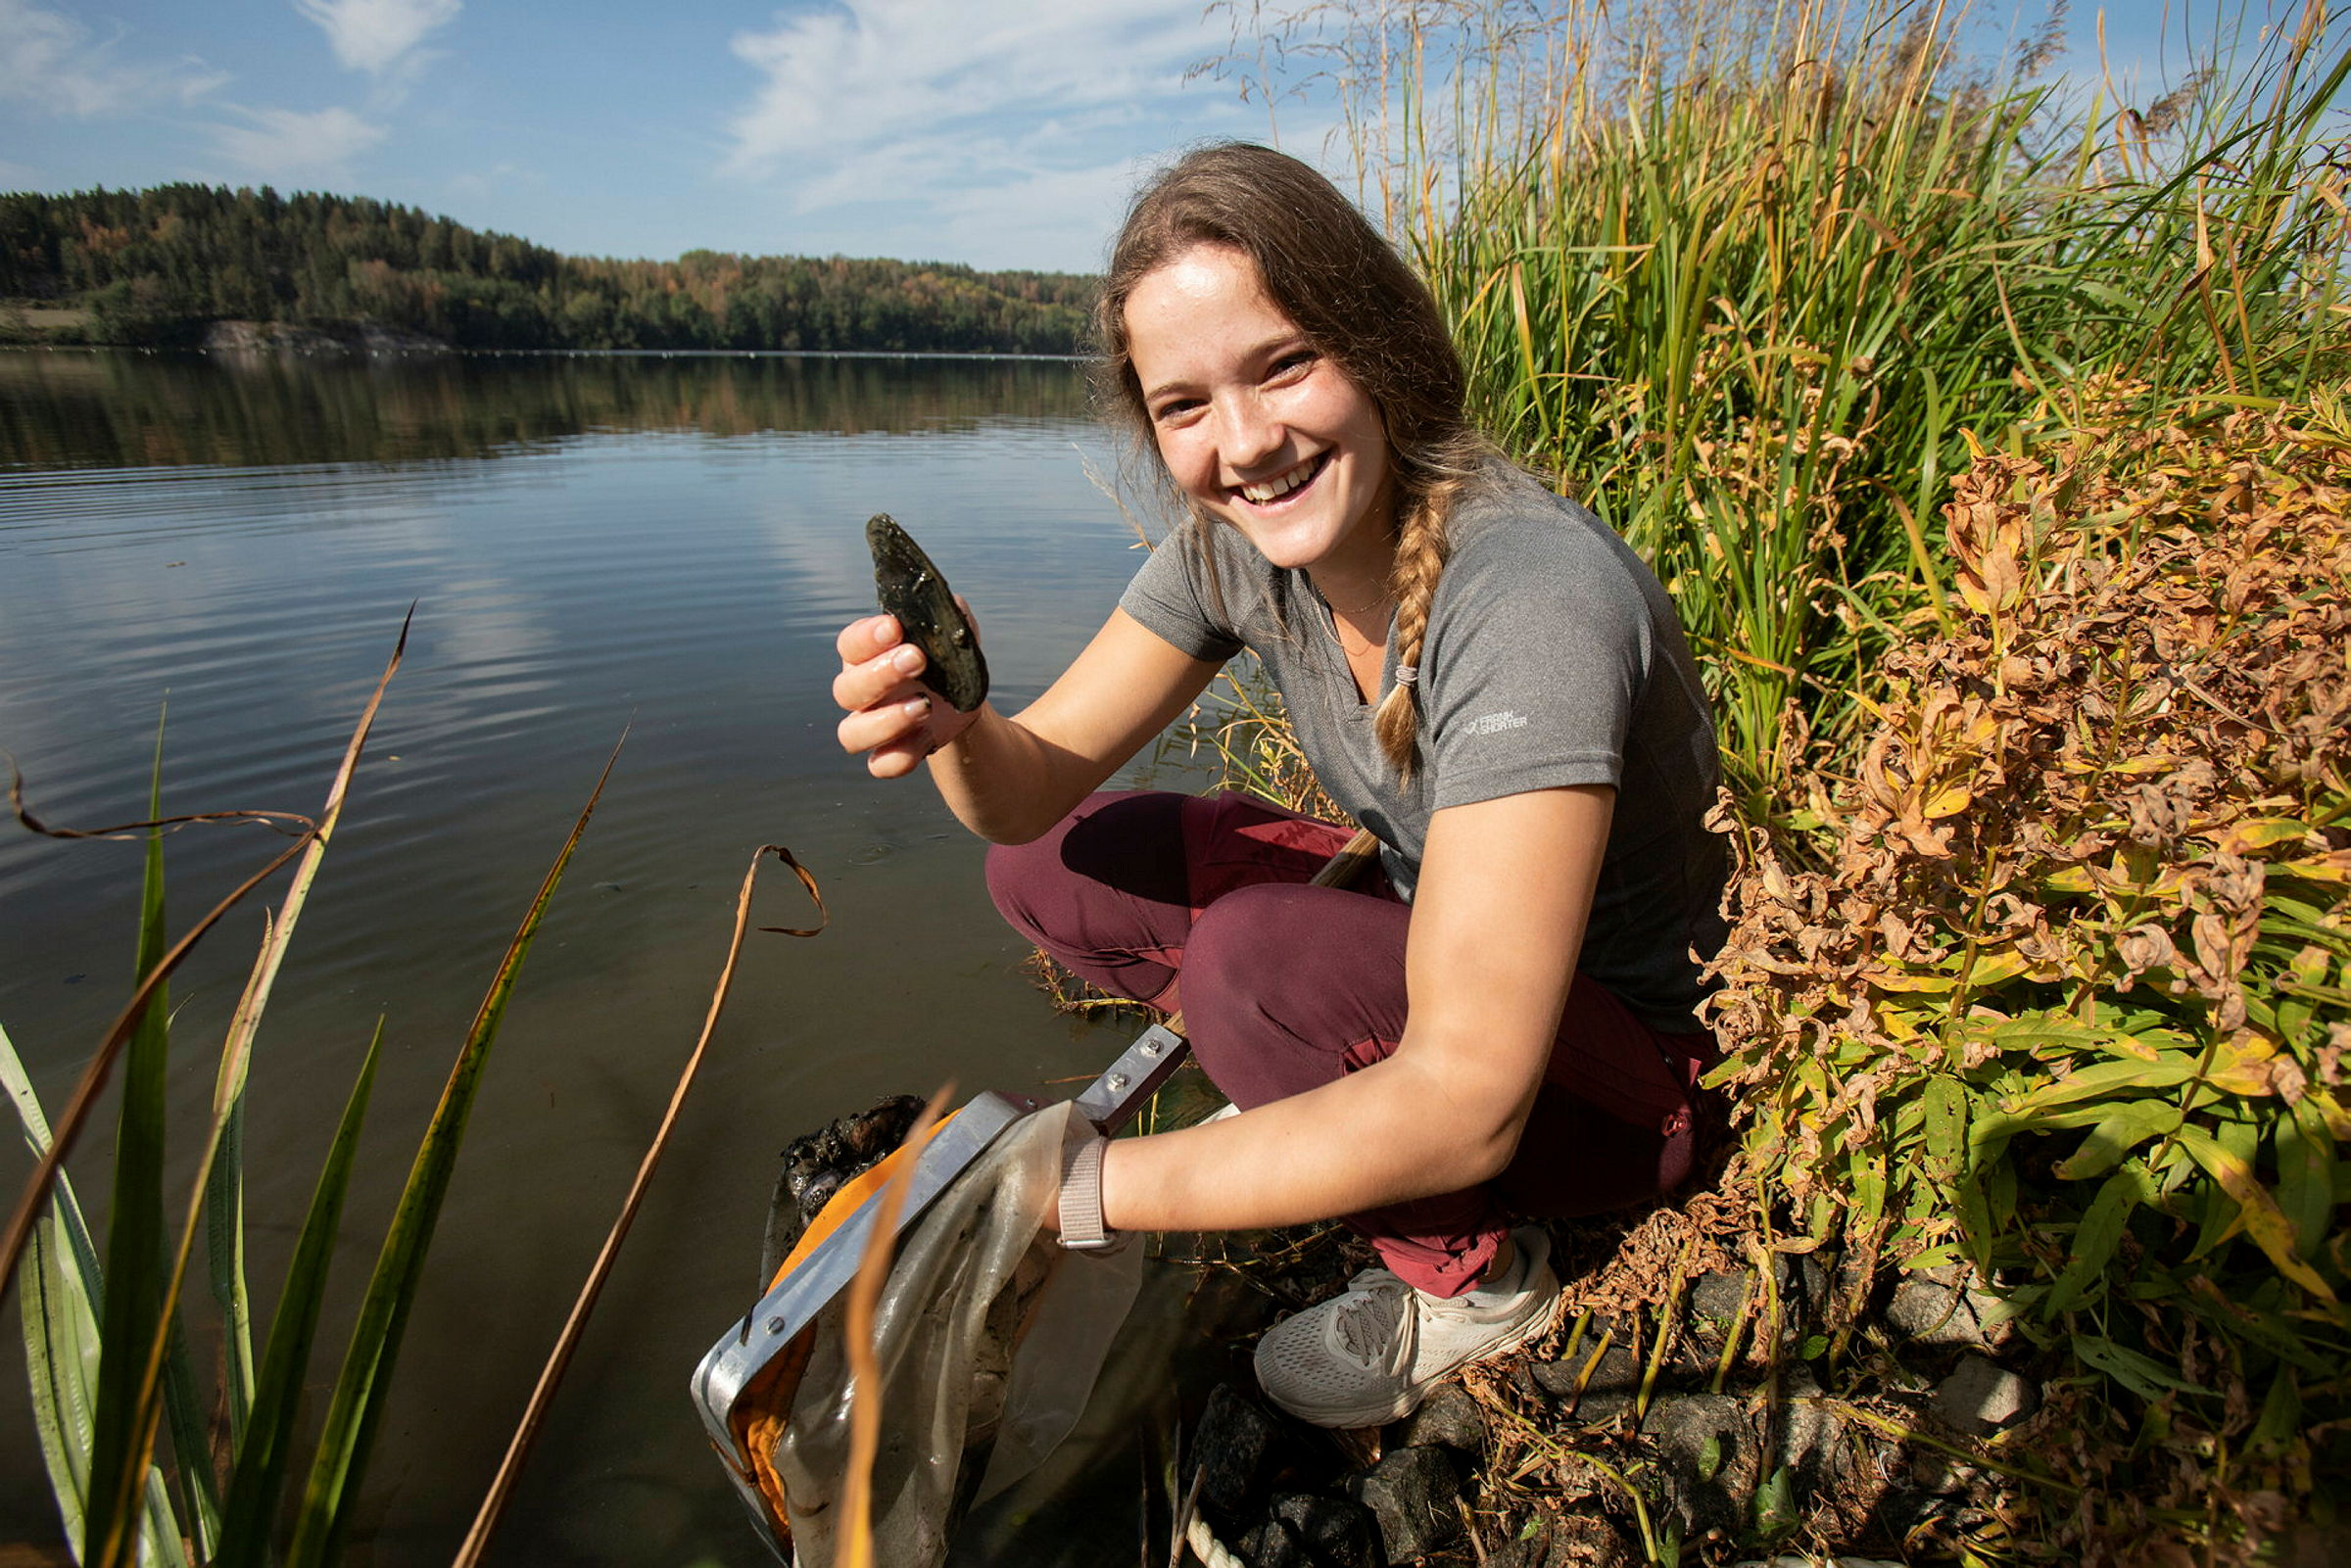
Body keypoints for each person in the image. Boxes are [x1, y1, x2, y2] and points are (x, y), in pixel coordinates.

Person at [831, 142, 1728, 1430]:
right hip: (1457, 945)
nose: (1245, 443)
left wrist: (1083, 1187)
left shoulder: (1528, 595)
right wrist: (953, 724)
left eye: (1284, 363)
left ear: (1378, 345)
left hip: (1640, 1081)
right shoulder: (1231, 550)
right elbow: (1025, 798)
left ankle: (1475, 1283)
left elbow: (1470, 1103)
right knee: (1049, 869)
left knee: (1253, 966)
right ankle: (1306, 1075)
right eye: (1184, 404)